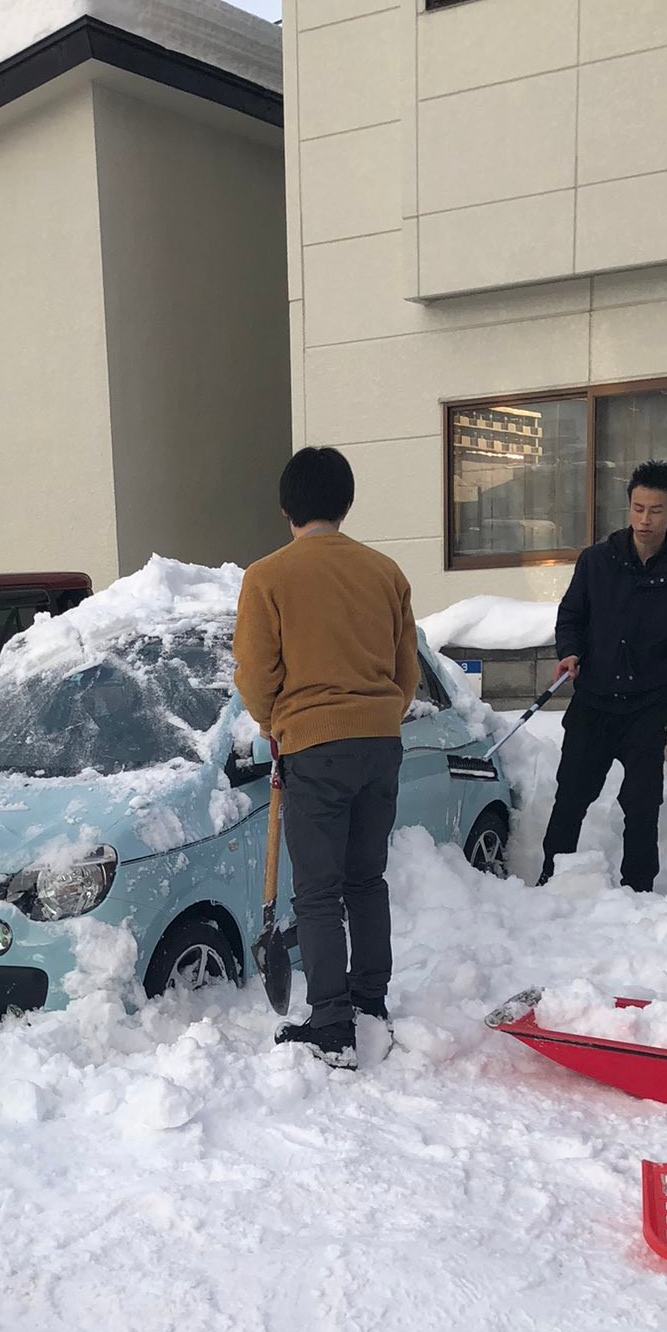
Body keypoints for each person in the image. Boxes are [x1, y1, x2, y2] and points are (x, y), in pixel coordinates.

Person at [234, 445, 418, 1069]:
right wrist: (379, 714)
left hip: (313, 744)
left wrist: (272, 722)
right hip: (380, 741)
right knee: (366, 878)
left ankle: (333, 1024)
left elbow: (257, 674)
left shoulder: (267, 577)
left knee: (317, 892)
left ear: (285, 507)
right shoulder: (385, 572)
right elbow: (406, 670)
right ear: (346, 503)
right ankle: (370, 1000)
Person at [539, 461, 667, 894]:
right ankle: (549, 881)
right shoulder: (598, 560)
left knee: (643, 804)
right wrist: (570, 652)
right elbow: (572, 616)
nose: (644, 519)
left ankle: (638, 891)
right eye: (638, 508)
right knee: (570, 796)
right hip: (593, 701)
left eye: (655, 510)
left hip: (647, 705)